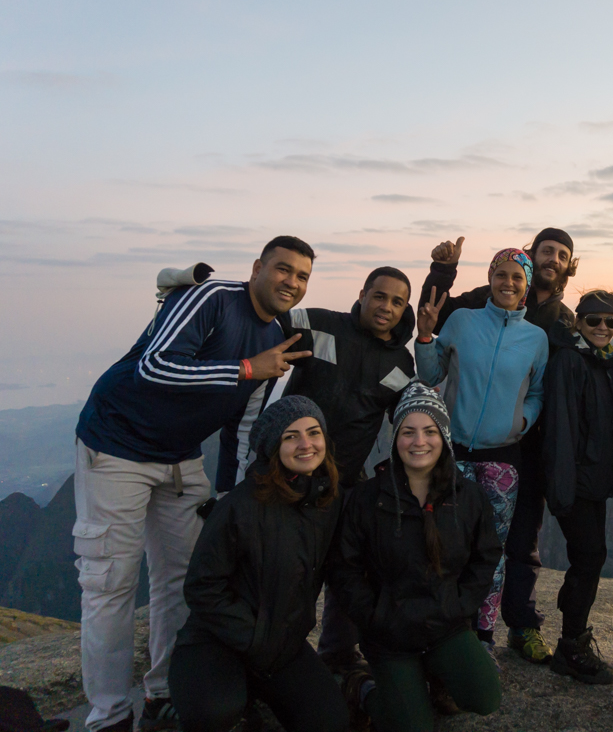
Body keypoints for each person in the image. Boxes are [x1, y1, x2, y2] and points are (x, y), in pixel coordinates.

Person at [73, 236, 315, 732]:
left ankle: (162, 692)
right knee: (110, 584)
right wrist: (247, 367)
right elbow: (154, 365)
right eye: (283, 269)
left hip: (180, 458)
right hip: (116, 444)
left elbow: (244, 424)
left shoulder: (276, 337)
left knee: (185, 578)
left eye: (303, 276)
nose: (292, 282)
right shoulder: (213, 299)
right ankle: (108, 716)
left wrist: (232, 494)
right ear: (257, 267)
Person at [419, 228, 576, 664]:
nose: (509, 283)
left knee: (501, 548)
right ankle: (446, 628)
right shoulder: (465, 317)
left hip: (508, 455)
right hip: (455, 452)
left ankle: (487, 633)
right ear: (491, 277)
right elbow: (431, 372)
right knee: (447, 544)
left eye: (516, 278)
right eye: (501, 275)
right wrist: (426, 335)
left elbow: (540, 389)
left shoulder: (548, 329)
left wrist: (521, 420)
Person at [330, 382, 502, 732]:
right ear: (395, 438)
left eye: (429, 431)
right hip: (389, 634)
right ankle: (362, 689)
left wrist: (459, 605)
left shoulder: (467, 497)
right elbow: (343, 567)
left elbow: (486, 558)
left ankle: (435, 677)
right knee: (413, 726)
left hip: (445, 625)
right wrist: (374, 615)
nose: (419, 442)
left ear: (444, 437)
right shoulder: (367, 498)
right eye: (408, 432)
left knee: (486, 698)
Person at [169, 396, 346, 732]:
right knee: (214, 712)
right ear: (272, 447)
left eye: (314, 432)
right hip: (219, 641)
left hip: (282, 646)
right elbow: (202, 587)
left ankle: (255, 692)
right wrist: (254, 637)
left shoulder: (327, 501)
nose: (306, 444)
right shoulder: (240, 506)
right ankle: (224, 692)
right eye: (291, 436)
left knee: (330, 722)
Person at [277, 266, 416, 673]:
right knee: (288, 572)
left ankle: (338, 655)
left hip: (345, 486)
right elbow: (267, 319)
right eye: (379, 296)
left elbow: (405, 417)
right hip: (289, 479)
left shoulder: (400, 362)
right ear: (362, 293)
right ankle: (278, 656)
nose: (386, 307)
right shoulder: (319, 324)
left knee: (349, 570)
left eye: (397, 301)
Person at [541, 290, 613, 685]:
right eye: (593, 320)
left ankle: (572, 639)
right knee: (590, 556)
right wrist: (561, 490)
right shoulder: (570, 361)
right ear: (578, 323)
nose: (602, 327)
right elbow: (560, 426)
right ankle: (571, 646)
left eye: (610, 321)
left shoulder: (605, 363)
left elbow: (609, 423)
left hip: (595, 482)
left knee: (590, 557)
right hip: (576, 483)